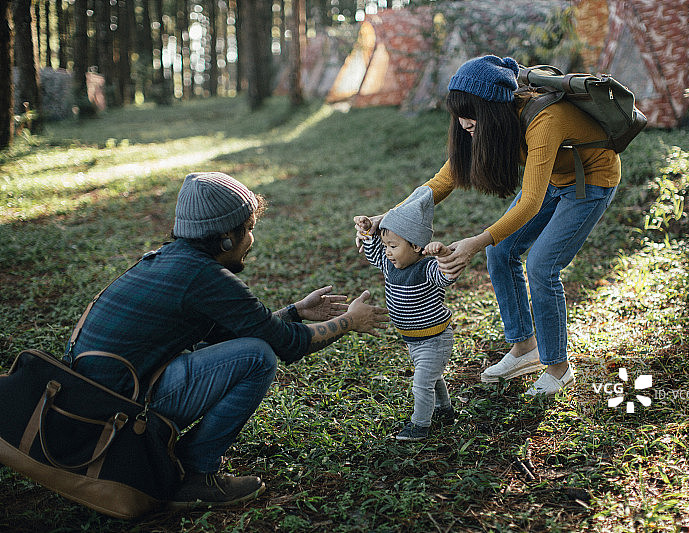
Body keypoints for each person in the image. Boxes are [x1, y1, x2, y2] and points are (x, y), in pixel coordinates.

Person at [65, 172, 389, 509]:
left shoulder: (167, 260)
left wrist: (295, 311)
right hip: (114, 416)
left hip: (90, 404)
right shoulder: (206, 278)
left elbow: (236, 331)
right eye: (247, 229)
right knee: (258, 357)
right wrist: (350, 321)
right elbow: (286, 345)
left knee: (246, 347)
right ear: (223, 238)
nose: (251, 239)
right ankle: (196, 475)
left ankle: (178, 460)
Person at [359, 55, 620, 397]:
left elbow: (530, 203)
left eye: (471, 114)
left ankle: (558, 368)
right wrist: (390, 216)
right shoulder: (488, 124)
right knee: (501, 251)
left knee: (542, 265)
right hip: (553, 180)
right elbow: (443, 179)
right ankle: (524, 347)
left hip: (591, 182)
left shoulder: (545, 120)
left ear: (493, 109)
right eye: (459, 114)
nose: (464, 123)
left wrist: (476, 241)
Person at [354, 186, 460, 442]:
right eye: (385, 245)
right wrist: (368, 230)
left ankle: (420, 426)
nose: (387, 251)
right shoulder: (391, 264)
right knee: (432, 379)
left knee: (421, 383)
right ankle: (445, 410)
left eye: (392, 245)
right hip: (413, 340)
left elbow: (447, 276)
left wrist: (443, 254)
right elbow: (373, 252)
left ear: (415, 245)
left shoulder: (427, 269)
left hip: (435, 339)